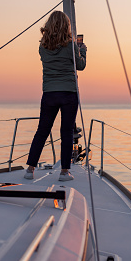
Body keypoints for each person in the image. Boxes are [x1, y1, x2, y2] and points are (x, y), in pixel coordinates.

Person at [24, 10, 86, 181]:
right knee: (66, 132)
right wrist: (83, 51)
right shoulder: (71, 46)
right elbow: (80, 66)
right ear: (66, 26)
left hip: (49, 93)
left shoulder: (42, 47)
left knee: (42, 131)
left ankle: (30, 169)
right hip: (68, 93)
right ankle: (64, 172)